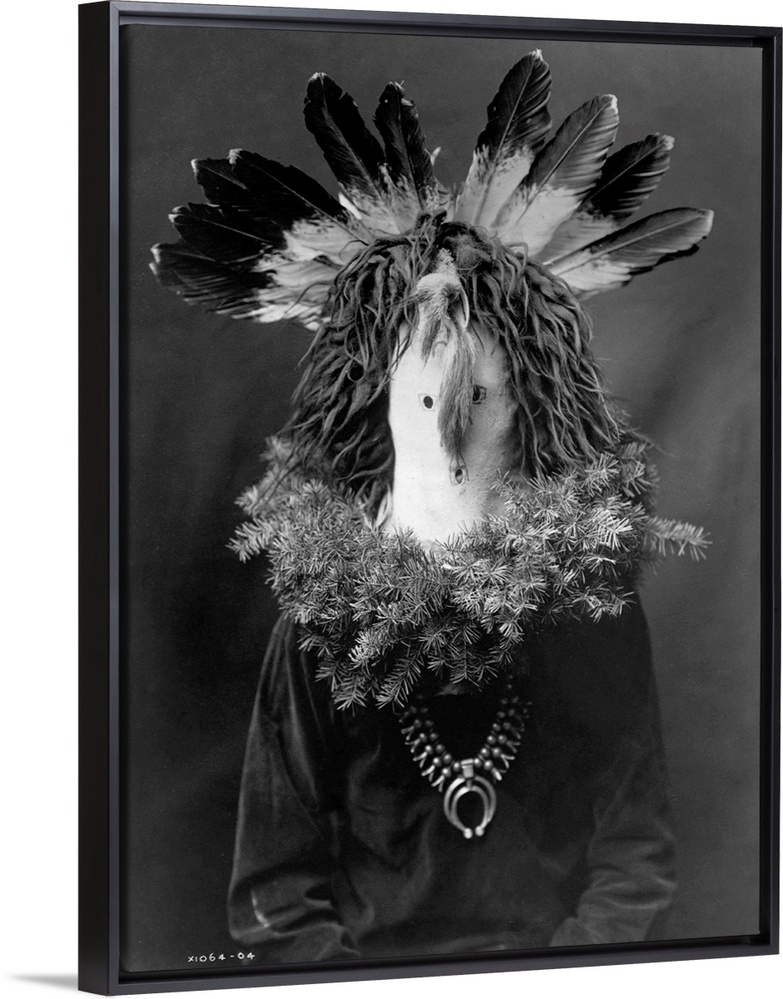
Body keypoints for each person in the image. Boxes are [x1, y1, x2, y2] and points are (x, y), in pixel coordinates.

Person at [151, 51, 711, 963]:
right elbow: (276, 892)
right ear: (383, 405)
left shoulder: (591, 608)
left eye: (480, 400)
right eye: (423, 400)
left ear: (528, 405)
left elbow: (633, 856)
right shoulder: (316, 628)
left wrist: (568, 977)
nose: (451, 440)